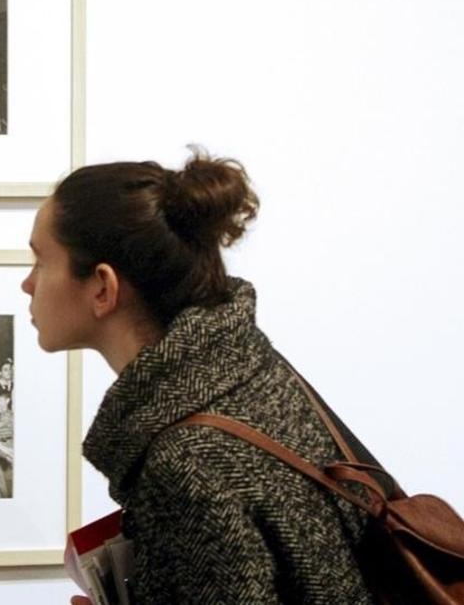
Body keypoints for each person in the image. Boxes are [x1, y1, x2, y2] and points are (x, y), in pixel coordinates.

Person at [24, 147, 374, 603]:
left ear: (103, 288)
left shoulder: (186, 461)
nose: (27, 283)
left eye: (40, 261)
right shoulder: (250, 373)